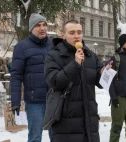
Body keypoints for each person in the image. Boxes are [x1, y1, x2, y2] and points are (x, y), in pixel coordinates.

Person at [44, 20, 111, 142]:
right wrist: (75, 64)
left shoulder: (90, 56)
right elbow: (54, 82)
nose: (76, 36)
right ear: (63, 35)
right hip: (66, 122)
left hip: (89, 120)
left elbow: (100, 84)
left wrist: (103, 74)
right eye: (72, 32)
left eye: (79, 32)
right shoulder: (53, 56)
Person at [10, 13, 52, 142]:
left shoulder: (53, 44)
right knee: (35, 137)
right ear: (31, 29)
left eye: (44, 25)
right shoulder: (21, 47)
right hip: (35, 102)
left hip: (54, 99)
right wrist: (15, 101)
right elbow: (16, 76)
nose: (42, 28)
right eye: (38, 25)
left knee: (58, 136)